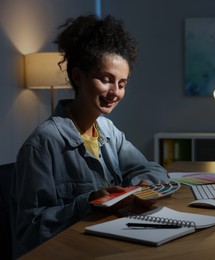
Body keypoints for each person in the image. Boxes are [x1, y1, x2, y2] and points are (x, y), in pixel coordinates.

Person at [10, 14, 169, 258]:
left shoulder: (108, 131)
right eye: (106, 80)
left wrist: (142, 186)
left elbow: (152, 169)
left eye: (122, 83)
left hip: (113, 245)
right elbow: (28, 231)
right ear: (78, 76)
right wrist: (87, 203)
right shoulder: (43, 143)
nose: (115, 92)